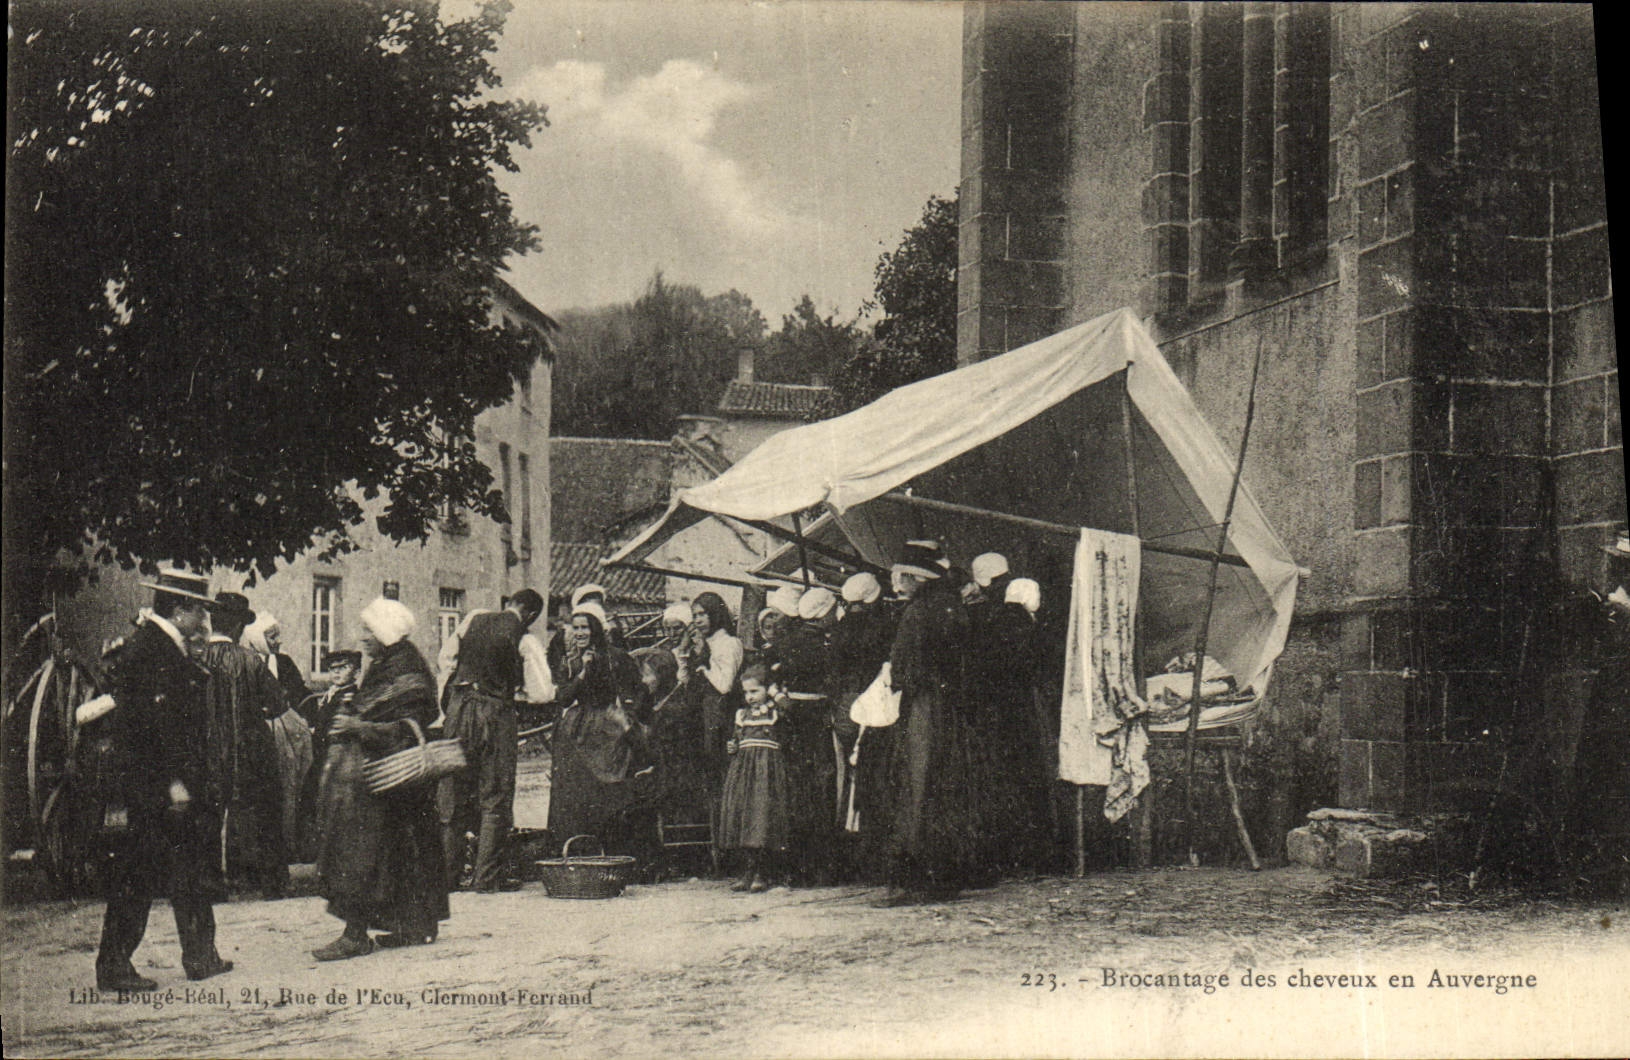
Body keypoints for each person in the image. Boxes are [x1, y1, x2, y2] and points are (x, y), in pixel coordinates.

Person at [94, 570, 233, 990]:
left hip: (167, 786)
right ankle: (114, 965)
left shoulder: (160, 646)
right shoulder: (151, 650)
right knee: (138, 874)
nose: (205, 621)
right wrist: (173, 781)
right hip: (157, 787)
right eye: (200, 611)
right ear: (180, 610)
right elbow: (149, 728)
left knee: (188, 870)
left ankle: (201, 955)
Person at [312, 598, 448, 960]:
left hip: (392, 778)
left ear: (386, 632)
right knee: (401, 855)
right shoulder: (390, 662)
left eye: (368, 630)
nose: (363, 638)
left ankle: (355, 934)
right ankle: (415, 927)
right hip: (391, 783)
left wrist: (360, 727)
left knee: (362, 854)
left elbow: (409, 727)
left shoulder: (404, 667)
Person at [875, 540, 985, 906]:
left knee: (916, 783)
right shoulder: (952, 605)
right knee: (947, 784)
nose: (896, 584)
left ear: (913, 577)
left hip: (924, 706)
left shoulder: (918, 612)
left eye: (900, 577)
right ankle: (946, 875)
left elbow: (904, 669)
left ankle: (914, 877)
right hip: (951, 707)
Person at [436, 589, 551, 892]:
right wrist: (518, 690)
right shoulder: (525, 639)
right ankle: (485, 879)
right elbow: (541, 692)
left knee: (453, 795)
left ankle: (446, 876)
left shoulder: (472, 620)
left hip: (459, 709)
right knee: (495, 797)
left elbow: (445, 658)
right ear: (530, 615)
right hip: (495, 713)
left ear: (509, 603)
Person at [199, 592, 288, 897]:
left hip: (206, 748)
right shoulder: (252, 661)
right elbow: (278, 704)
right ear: (237, 626)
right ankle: (261, 880)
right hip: (251, 748)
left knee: (207, 813)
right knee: (261, 811)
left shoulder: (195, 659)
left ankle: (209, 883)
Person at [547, 602, 653, 855]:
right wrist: (582, 672)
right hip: (577, 727)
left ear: (595, 630)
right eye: (576, 628)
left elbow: (637, 691)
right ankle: (578, 849)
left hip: (607, 727)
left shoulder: (616, 657)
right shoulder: (570, 661)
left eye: (585, 627)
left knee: (607, 788)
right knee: (575, 789)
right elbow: (562, 697)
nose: (580, 633)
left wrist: (625, 716)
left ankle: (612, 849)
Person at [973, 577, 1056, 876]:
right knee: (1030, 778)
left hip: (996, 712)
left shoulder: (992, 621)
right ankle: (1035, 853)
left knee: (1003, 780)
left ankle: (1005, 854)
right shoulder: (1025, 626)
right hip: (1022, 710)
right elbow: (1035, 668)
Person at [243, 613, 314, 872]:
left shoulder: (282, 663)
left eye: (277, 635)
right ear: (257, 638)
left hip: (285, 735)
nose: (278, 641)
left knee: (287, 790)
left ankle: (286, 848)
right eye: (271, 636)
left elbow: (300, 694)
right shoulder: (247, 662)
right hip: (258, 734)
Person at [718, 662, 792, 893]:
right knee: (744, 817)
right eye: (746, 692)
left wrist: (774, 692)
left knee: (762, 817)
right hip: (743, 770)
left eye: (755, 691)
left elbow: (789, 709)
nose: (749, 697)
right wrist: (733, 746)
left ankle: (763, 872)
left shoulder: (774, 711)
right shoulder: (742, 715)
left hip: (766, 771)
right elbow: (737, 738)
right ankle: (747, 871)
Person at [295, 650, 360, 860]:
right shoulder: (329, 694)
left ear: (356, 672)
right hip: (322, 757)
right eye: (333, 669)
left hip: (336, 758)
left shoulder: (352, 697)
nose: (337, 673)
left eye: (343, 668)